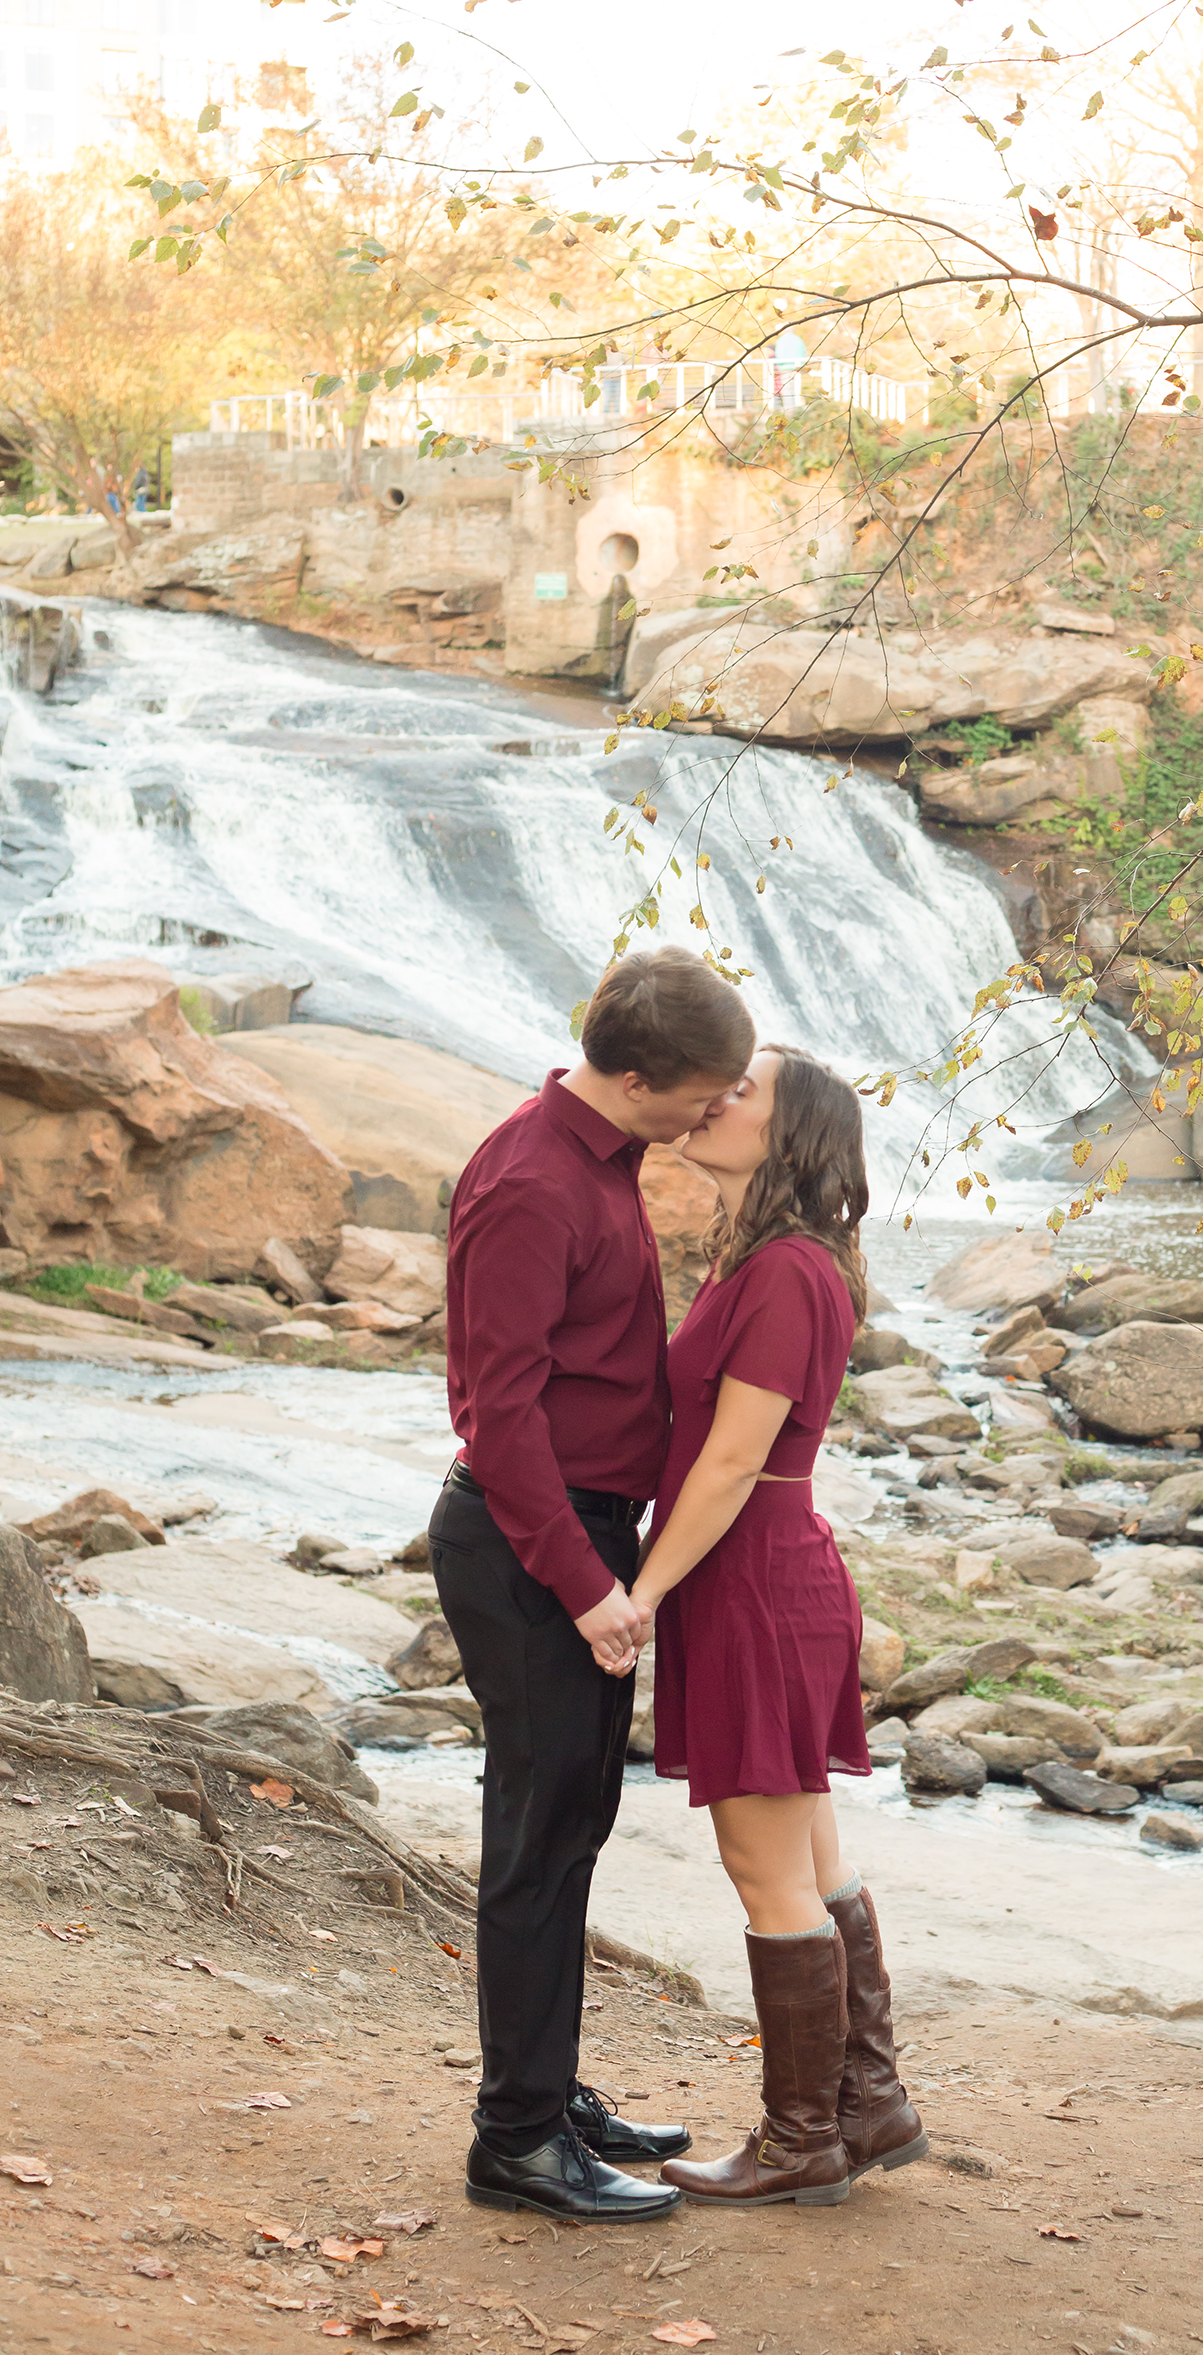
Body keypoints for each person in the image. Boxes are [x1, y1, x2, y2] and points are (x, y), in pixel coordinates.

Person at [429, 946, 754, 2226]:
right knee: (535, 1843)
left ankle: (546, 2092)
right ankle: (512, 2142)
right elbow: (493, 1415)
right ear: (633, 1077)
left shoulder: (608, 1161)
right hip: (528, 1550)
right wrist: (584, 1585)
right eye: (705, 1095)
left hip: (579, 1539)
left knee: (572, 1833)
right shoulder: (527, 1183)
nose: (716, 1115)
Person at [623, 1043, 927, 2208]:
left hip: (752, 1577)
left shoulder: (789, 1271)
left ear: (789, 1131)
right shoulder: (761, 1258)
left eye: (742, 1087)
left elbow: (736, 1458)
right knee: (813, 1857)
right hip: (762, 1576)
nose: (715, 1095)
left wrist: (642, 1593)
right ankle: (869, 2103)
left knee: (769, 1875)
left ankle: (802, 2141)